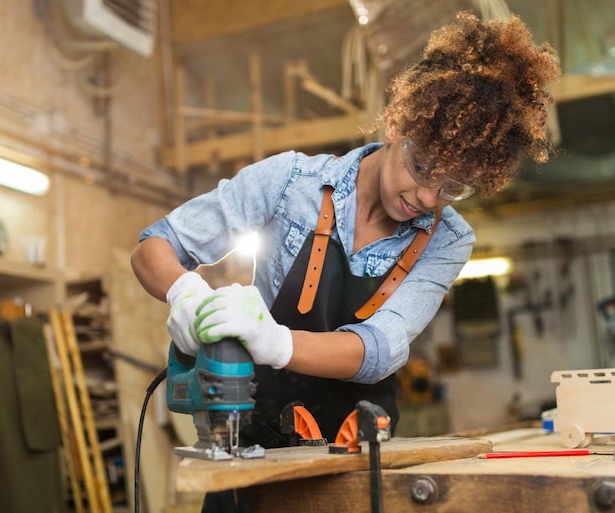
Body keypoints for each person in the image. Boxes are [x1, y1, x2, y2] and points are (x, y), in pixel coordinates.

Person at [131, 11, 559, 512]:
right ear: (397, 121)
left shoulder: (449, 240)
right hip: (255, 443)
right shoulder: (289, 183)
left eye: (453, 188)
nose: (425, 196)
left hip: (361, 453)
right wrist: (184, 291)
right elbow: (155, 246)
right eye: (421, 167)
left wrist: (277, 341)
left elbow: (382, 347)